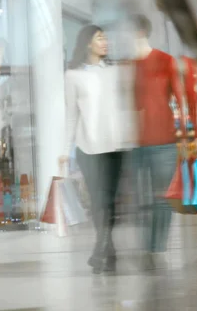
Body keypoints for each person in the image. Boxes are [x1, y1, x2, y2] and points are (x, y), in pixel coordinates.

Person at [59, 25, 137, 274]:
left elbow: (125, 107)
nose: (105, 42)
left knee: (109, 200)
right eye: (99, 38)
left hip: (115, 146)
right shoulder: (73, 76)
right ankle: (103, 247)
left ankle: (104, 248)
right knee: (97, 200)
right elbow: (71, 115)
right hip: (88, 147)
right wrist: (64, 149)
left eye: (105, 38)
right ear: (87, 44)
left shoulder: (115, 72)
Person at [133, 14, 185, 267]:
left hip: (163, 139)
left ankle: (157, 248)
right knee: (138, 197)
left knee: (161, 196)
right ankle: (145, 247)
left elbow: (181, 99)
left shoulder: (165, 61)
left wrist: (188, 135)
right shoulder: (125, 67)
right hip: (133, 142)